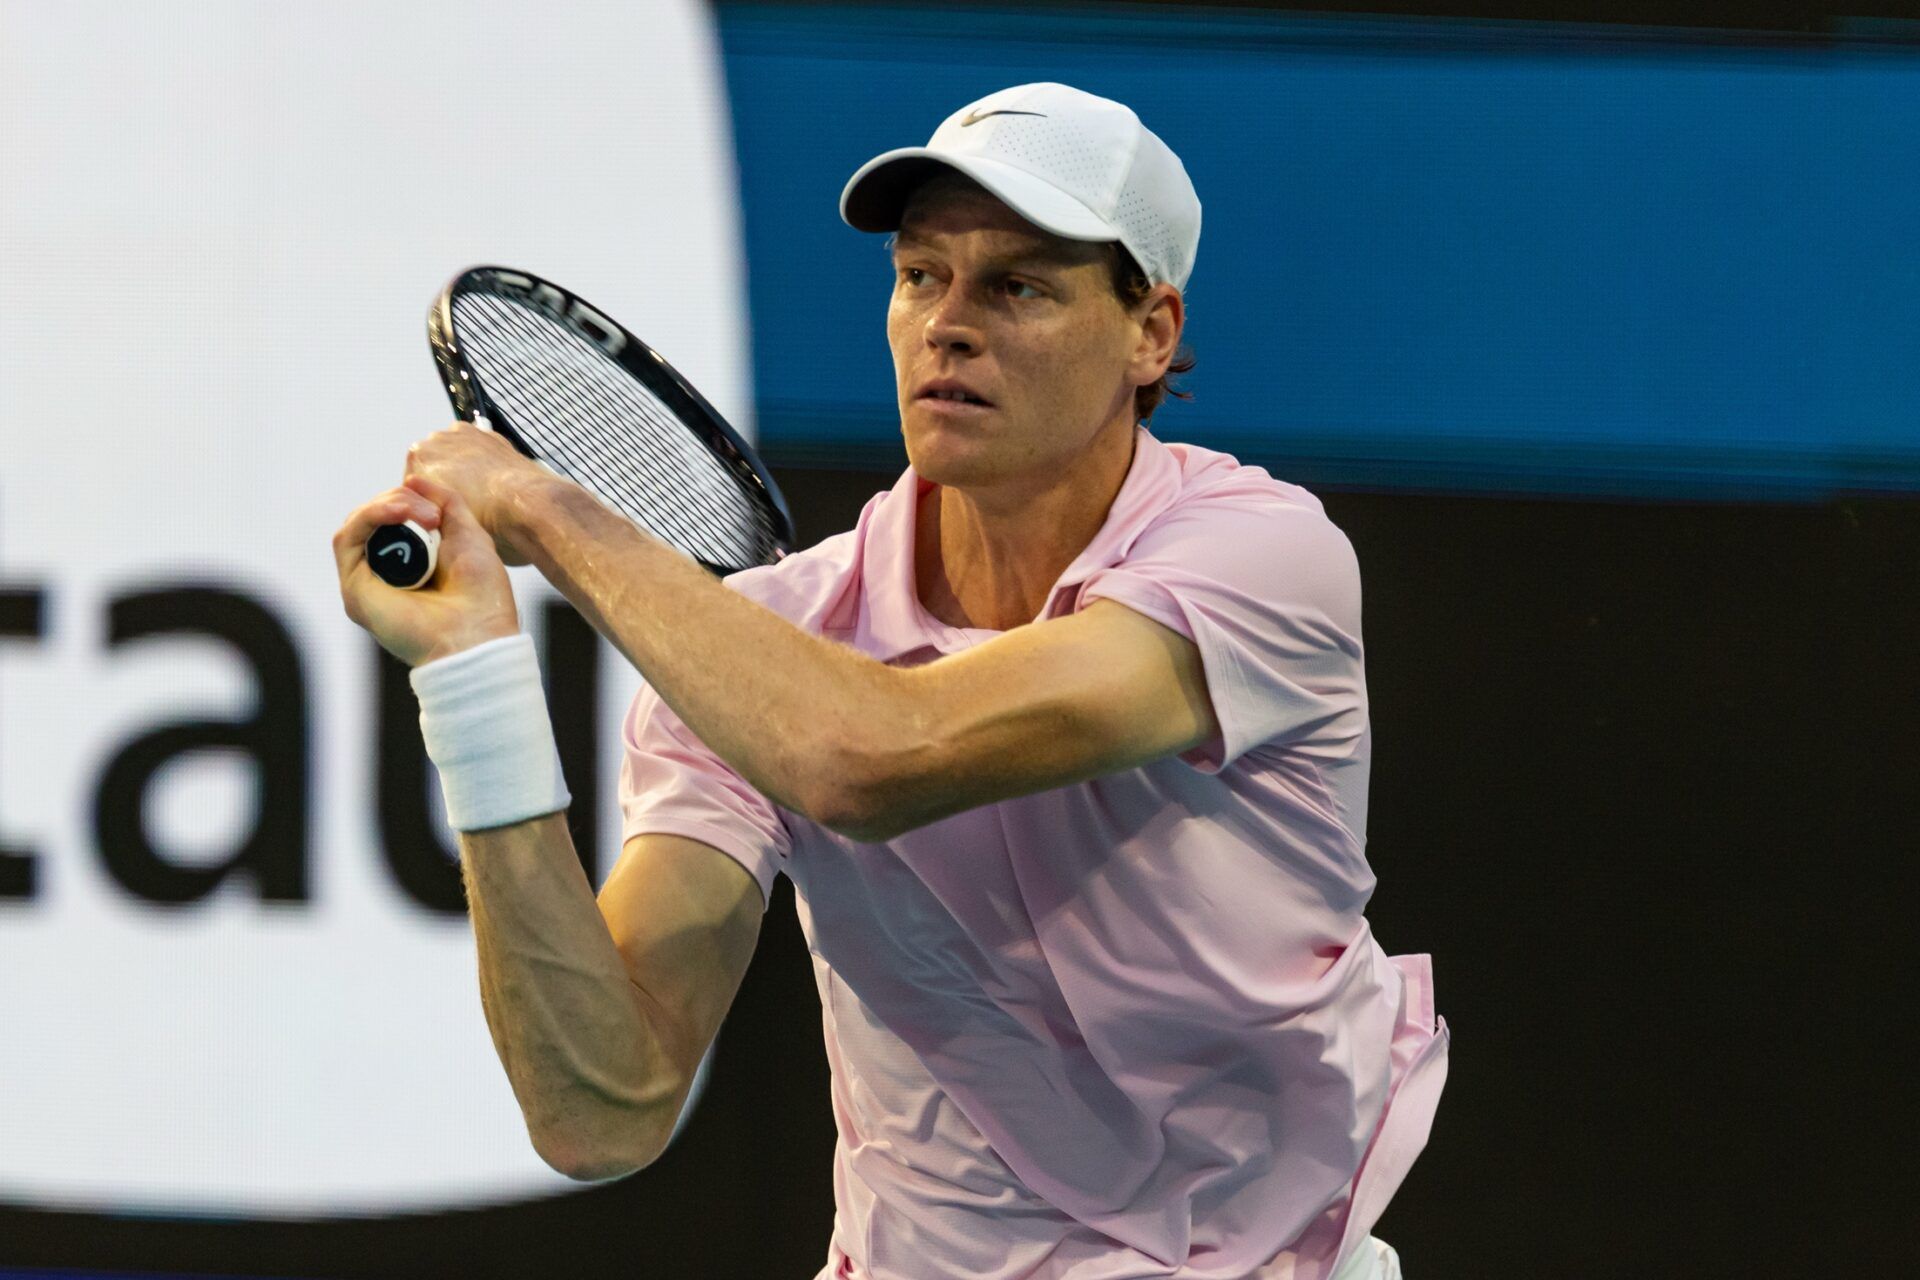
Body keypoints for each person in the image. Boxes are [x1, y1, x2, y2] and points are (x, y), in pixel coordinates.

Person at [333, 82, 1447, 1280]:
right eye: (921, 276)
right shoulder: (763, 648)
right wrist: (473, 679)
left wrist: (553, 514)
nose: (948, 324)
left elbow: (875, 758)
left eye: (1018, 285)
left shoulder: (1260, 557)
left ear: (1151, 332)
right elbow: (603, 1105)